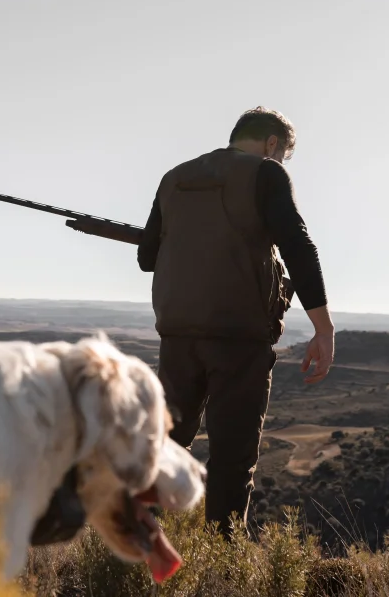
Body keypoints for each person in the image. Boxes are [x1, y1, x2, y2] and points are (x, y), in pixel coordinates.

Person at [135, 106, 334, 539]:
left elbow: (146, 257)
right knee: (231, 458)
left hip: (177, 336)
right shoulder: (266, 174)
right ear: (272, 144)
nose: (280, 163)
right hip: (239, 340)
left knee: (166, 445)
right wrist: (323, 327)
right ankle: (222, 563)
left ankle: (139, 546)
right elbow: (299, 247)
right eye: (282, 155)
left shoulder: (174, 177)